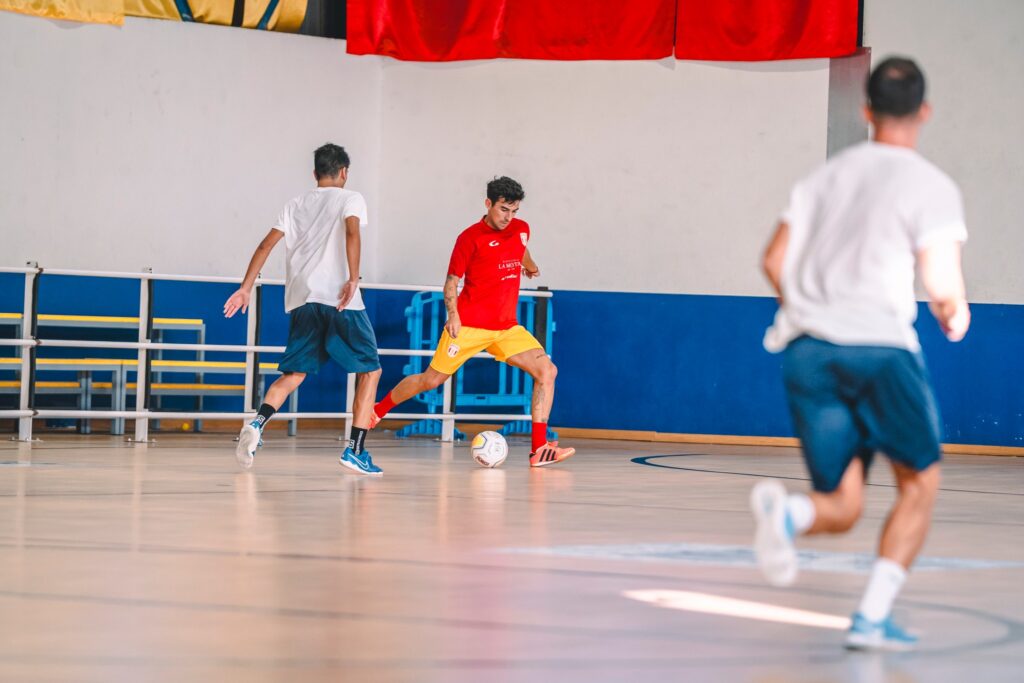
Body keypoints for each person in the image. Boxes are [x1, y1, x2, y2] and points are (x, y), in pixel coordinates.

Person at [751, 57, 970, 651]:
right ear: (925, 111)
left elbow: (773, 259)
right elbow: (941, 284)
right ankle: (871, 618)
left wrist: (810, 312)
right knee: (919, 484)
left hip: (809, 353)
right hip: (880, 351)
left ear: (866, 110)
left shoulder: (824, 178)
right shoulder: (931, 186)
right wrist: (954, 312)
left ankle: (789, 517)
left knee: (841, 504)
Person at [369, 176, 575, 467]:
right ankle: (377, 410)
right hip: (468, 327)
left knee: (547, 371)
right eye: (503, 209)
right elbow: (451, 282)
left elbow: (521, 246)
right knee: (430, 380)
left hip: (506, 328)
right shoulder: (469, 238)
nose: (509, 217)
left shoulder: (521, 229)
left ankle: (538, 448)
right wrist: (453, 316)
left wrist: (530, 266)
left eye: (514, 211)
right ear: (488, 203)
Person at [224, 143, 384, 475]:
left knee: (294, 374)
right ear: (344, 172)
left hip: (302, 301)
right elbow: (352, 232)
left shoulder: (295, 204)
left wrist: (245, 287)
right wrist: (353, 279)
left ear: (315, 173)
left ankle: (257, 422)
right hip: (339, 300)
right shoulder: (351, 198)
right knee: (371, 371)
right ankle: (355, 450)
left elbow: (265, 245)